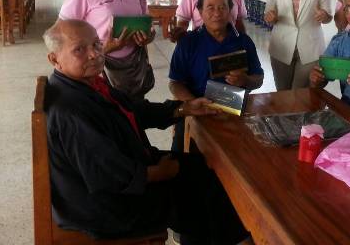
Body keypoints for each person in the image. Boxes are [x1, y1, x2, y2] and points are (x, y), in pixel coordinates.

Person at [43, 19, 248, 244]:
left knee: (205, 168)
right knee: (201, 191)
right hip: (106, 206)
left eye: (96, 44)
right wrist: (160, 173)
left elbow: (134, 109)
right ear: (55, 59)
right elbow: (108, 174)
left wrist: (184, 108)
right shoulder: (70, 110)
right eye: (79, 50)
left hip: (125, 171)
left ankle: (210, 236)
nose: (94, 54)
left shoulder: (86, 84)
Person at [169, 0, 264, 152]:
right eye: (210, 7)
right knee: (183, 160)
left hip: (234, 115)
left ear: (230, 11)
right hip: (196, 113)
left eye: (222, 7)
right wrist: (193, 103)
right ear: (200, 12)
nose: (217, 13)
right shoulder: (188, 43)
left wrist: (246, 80)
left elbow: (259, 78)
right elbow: (175, 83)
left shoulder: (243, 42)